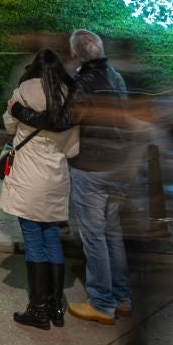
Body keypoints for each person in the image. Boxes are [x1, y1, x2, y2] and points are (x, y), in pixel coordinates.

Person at [0, 47, 80, 329]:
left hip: (28, 175)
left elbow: (9, 125)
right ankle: (57, 307)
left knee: (33, 239)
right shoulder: (69, 96)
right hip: (56, 176)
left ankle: (38, 308)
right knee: (52, 238)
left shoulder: (23, 92)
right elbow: (73, 148)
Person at [64, 29, 134, 329]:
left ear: (74, 53)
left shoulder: (84, 81)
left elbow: (69, 118)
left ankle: (101, 303)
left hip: (92, 165)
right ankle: (122, 297)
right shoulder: (116, 76)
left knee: (93, 235)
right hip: (120, 162)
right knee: (112, 233)